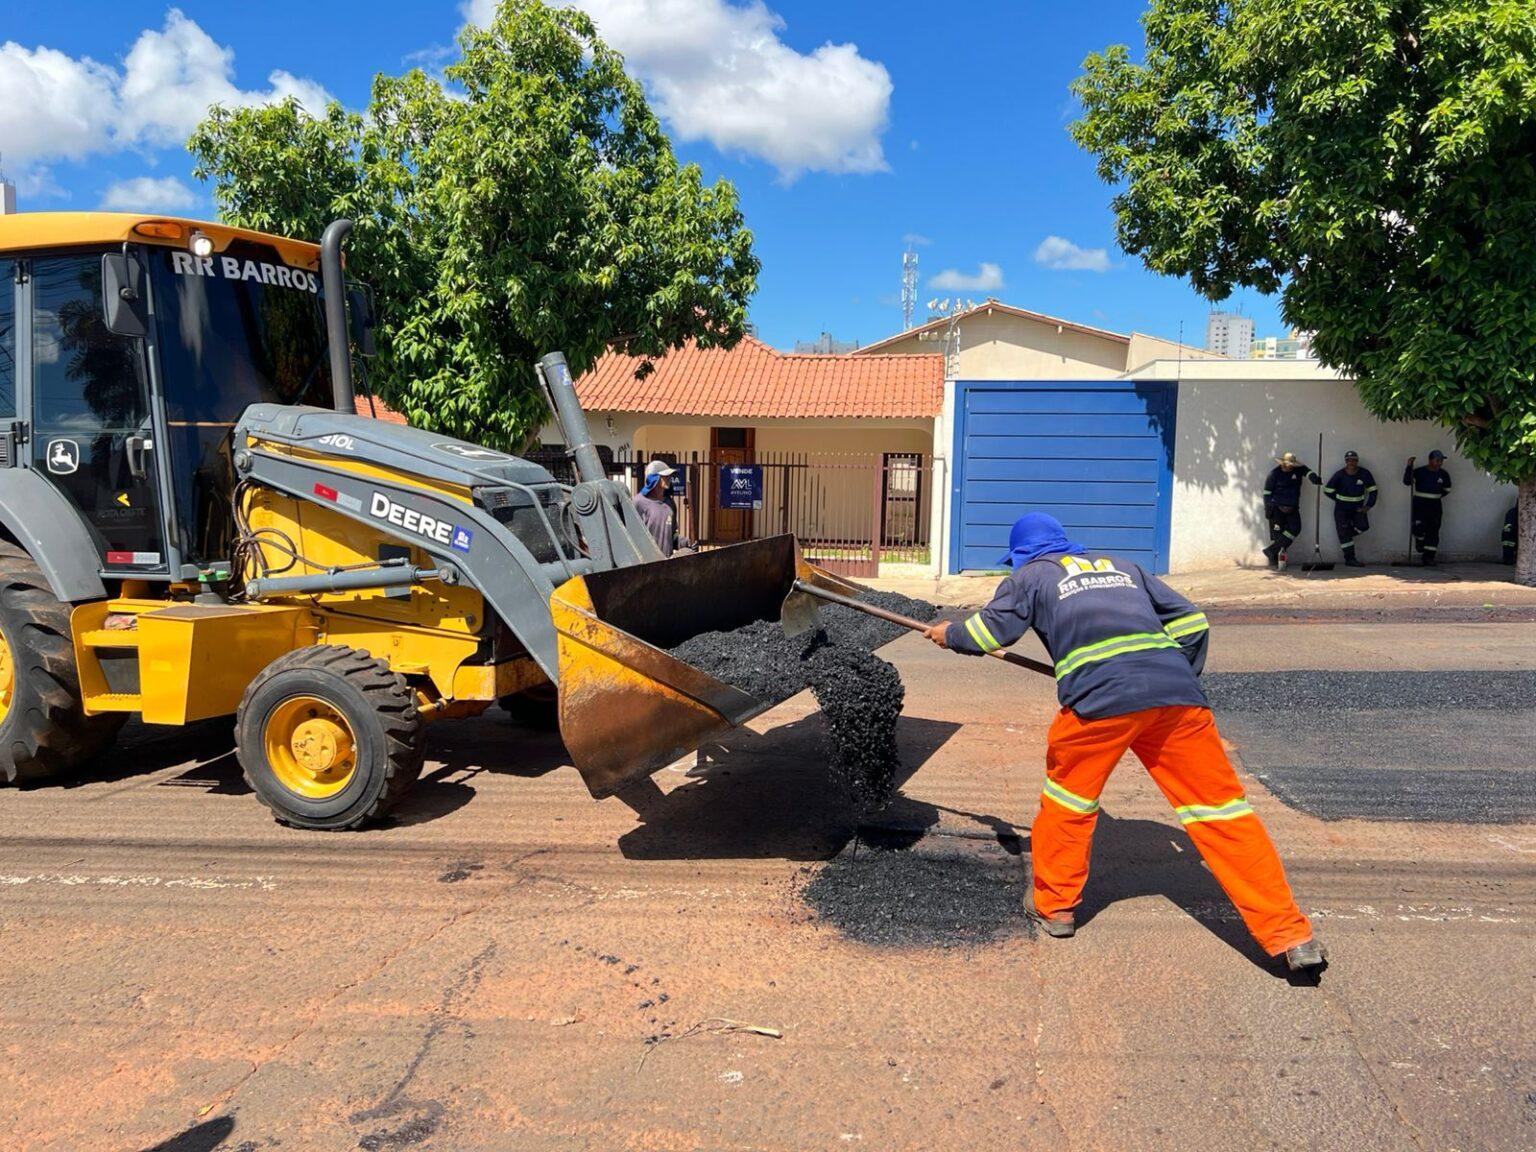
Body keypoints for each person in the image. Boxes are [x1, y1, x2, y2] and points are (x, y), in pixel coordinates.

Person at [921, 512, 1326, 973]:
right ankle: (1291, 935)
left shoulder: (1031, 577)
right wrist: (1170, 674)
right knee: (1223, 813)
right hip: (1177, 699)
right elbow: (1193, 622)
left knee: (1069, 803)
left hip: (1099, 704)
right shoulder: (1124, 567)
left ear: (1021, 555)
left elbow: (988, 633)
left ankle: (1055, 908)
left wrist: (949, 634)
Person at [1261, 452, 1321, 569]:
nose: (1290, 467)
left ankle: (1271, 550)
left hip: (1292, 508)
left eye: (1292, 465)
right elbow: (1267, 492)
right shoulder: (1274, 474)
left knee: (1295, 528)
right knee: (1278, 535)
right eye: (1288, 464)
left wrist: (1314, 478)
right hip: (1277, 508)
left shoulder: (1298, 470)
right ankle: (1277, 560)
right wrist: (1268, 507)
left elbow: (1308, 472)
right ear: (1283, 463)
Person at [1322, 450, 1378, 567]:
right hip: (1341, 509)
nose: (1351, 462)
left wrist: (1368, 506)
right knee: (1344, 534)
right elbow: (1327, 490)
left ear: (1357, 461)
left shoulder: (1364, 473)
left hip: (1358, 509)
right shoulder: (1339, 474)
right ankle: (1350, 559)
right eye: (1349, 460)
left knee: (1363, 526)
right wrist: (1338, 499)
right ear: (1345, 461)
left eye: (1353, 460)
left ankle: (1346, 534)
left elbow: (1373, 491)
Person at [1403, 451, 1453, 565]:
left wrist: (1435, 496)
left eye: (1441, 461)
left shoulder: (1443, 474)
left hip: (1435, 505)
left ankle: (1428, 558)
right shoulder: (1420, 471)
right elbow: (1407, 481)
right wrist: (1409, 467)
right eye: (1437, 460)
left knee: (1433, 530)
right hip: (1420, 503)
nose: (1440, 463)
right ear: (1430, 460)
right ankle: (1419, 541)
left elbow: (1447, 489)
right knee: (1418, 526)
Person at [633, 460, 681, 557]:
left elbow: (671, 535)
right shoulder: (638, 502)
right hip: (646, 562)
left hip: (666, 562)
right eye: (665, 476)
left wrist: (684, 542)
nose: (669, 478)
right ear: (653, 478)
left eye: (670, 476)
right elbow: (631, 535)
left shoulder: (670, 503)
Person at [1504, 501, 1519, 565]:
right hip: (1512, 532)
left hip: (1506, 533)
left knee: (1507, 548)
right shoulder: (1519, 512)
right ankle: (1510, 560)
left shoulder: (1511, 511)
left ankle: (1507, 560)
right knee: (1511, 547)